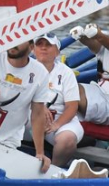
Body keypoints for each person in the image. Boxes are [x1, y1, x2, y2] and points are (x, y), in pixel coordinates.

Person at [0, 40, 52, 173]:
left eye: (20, 40)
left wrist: (40, 153)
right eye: (13, 38)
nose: (13, 43)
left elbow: (37, 115)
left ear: (31, 47)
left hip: (8, 139)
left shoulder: (40, 73)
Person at [32, 34, 83, 167]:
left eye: (48, 45)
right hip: (30, 118)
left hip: (59, 119)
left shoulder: (66, 73)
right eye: (40, 44)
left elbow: (72, 106)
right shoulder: (26, 69)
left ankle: (52, 172)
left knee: (67, 140)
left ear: (57, 52)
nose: (43, 48)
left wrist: (56, 125)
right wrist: (39, 107)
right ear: (33, 49)